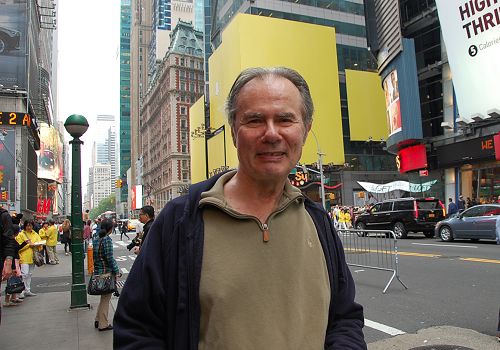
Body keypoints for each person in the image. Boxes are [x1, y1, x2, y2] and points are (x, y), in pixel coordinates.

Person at [113, 67, 366, 349]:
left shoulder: (318, 221)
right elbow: (136, 331)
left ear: (305, 130)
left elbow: (345, 319)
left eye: (285, 119)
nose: (271, 134)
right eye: (255, 120)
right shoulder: (179, 221)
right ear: (234, 132)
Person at [92, 218, 121, 331]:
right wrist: (117, 270)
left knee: (103, 297)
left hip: (98, 271)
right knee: (106, 298)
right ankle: (103, 324)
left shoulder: (96, 238)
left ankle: (98, 319)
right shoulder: (107, 240)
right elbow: (109, 257)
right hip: (106, 272)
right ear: (110, 228)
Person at [15, 220, 43, 297]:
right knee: (24, 274)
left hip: (33, 257)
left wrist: (38, 245)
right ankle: (22, 290)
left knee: (30, 274)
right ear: (25, 226)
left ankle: (28, 289)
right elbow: (18, 247)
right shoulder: (21, 235)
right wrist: (28, 245)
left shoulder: (35, 234)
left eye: (30, 226)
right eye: (27, 225)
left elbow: (40, 244)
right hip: (24, 257)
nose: (29, 227)